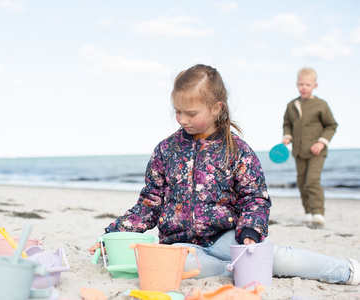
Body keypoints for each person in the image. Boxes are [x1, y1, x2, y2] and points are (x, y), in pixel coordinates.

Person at [88, 64, 358, 285]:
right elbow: (149, 204)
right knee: (166, 269)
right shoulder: (165, 150)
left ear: (216, 107)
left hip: (230, 237)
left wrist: (250, 229)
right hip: (182, 246)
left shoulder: (237, 149)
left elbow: (255, 198)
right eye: (178, 111)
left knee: (280, 258)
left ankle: (347, 270)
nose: (182, 119)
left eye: (191, 113)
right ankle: (232, 271)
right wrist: (112, 235)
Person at [282, 68, 338, 226]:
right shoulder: (292, 105)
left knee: (312, 181)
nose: (304, 87)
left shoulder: (321, 105)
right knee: (301, 182)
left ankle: (318, 213)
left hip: (316, 152)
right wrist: (287, 137)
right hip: (299, 152)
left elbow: (332, 125)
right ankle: (308, 211)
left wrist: (321, 142)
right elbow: (287, 124)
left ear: (315, 85)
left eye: (308, 84)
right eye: (301, 84)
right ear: (297, 84)